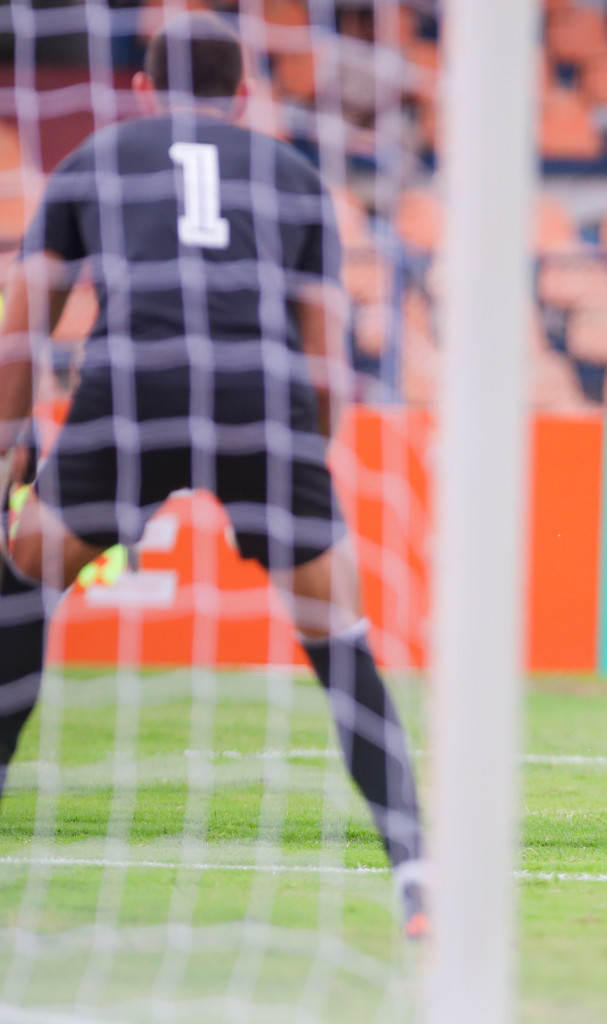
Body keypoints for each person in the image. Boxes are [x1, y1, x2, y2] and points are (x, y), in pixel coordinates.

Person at [0, 15, 427, 931]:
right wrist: (305, 466)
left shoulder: (99, 159)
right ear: (242, 95)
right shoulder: (297, 174)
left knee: (23, 583)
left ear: (145, 89)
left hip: (132, 386)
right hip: (259, 395)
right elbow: (325, 350)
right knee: (335, 630)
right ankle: (414, 865)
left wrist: (9, 442)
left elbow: (24, 320)